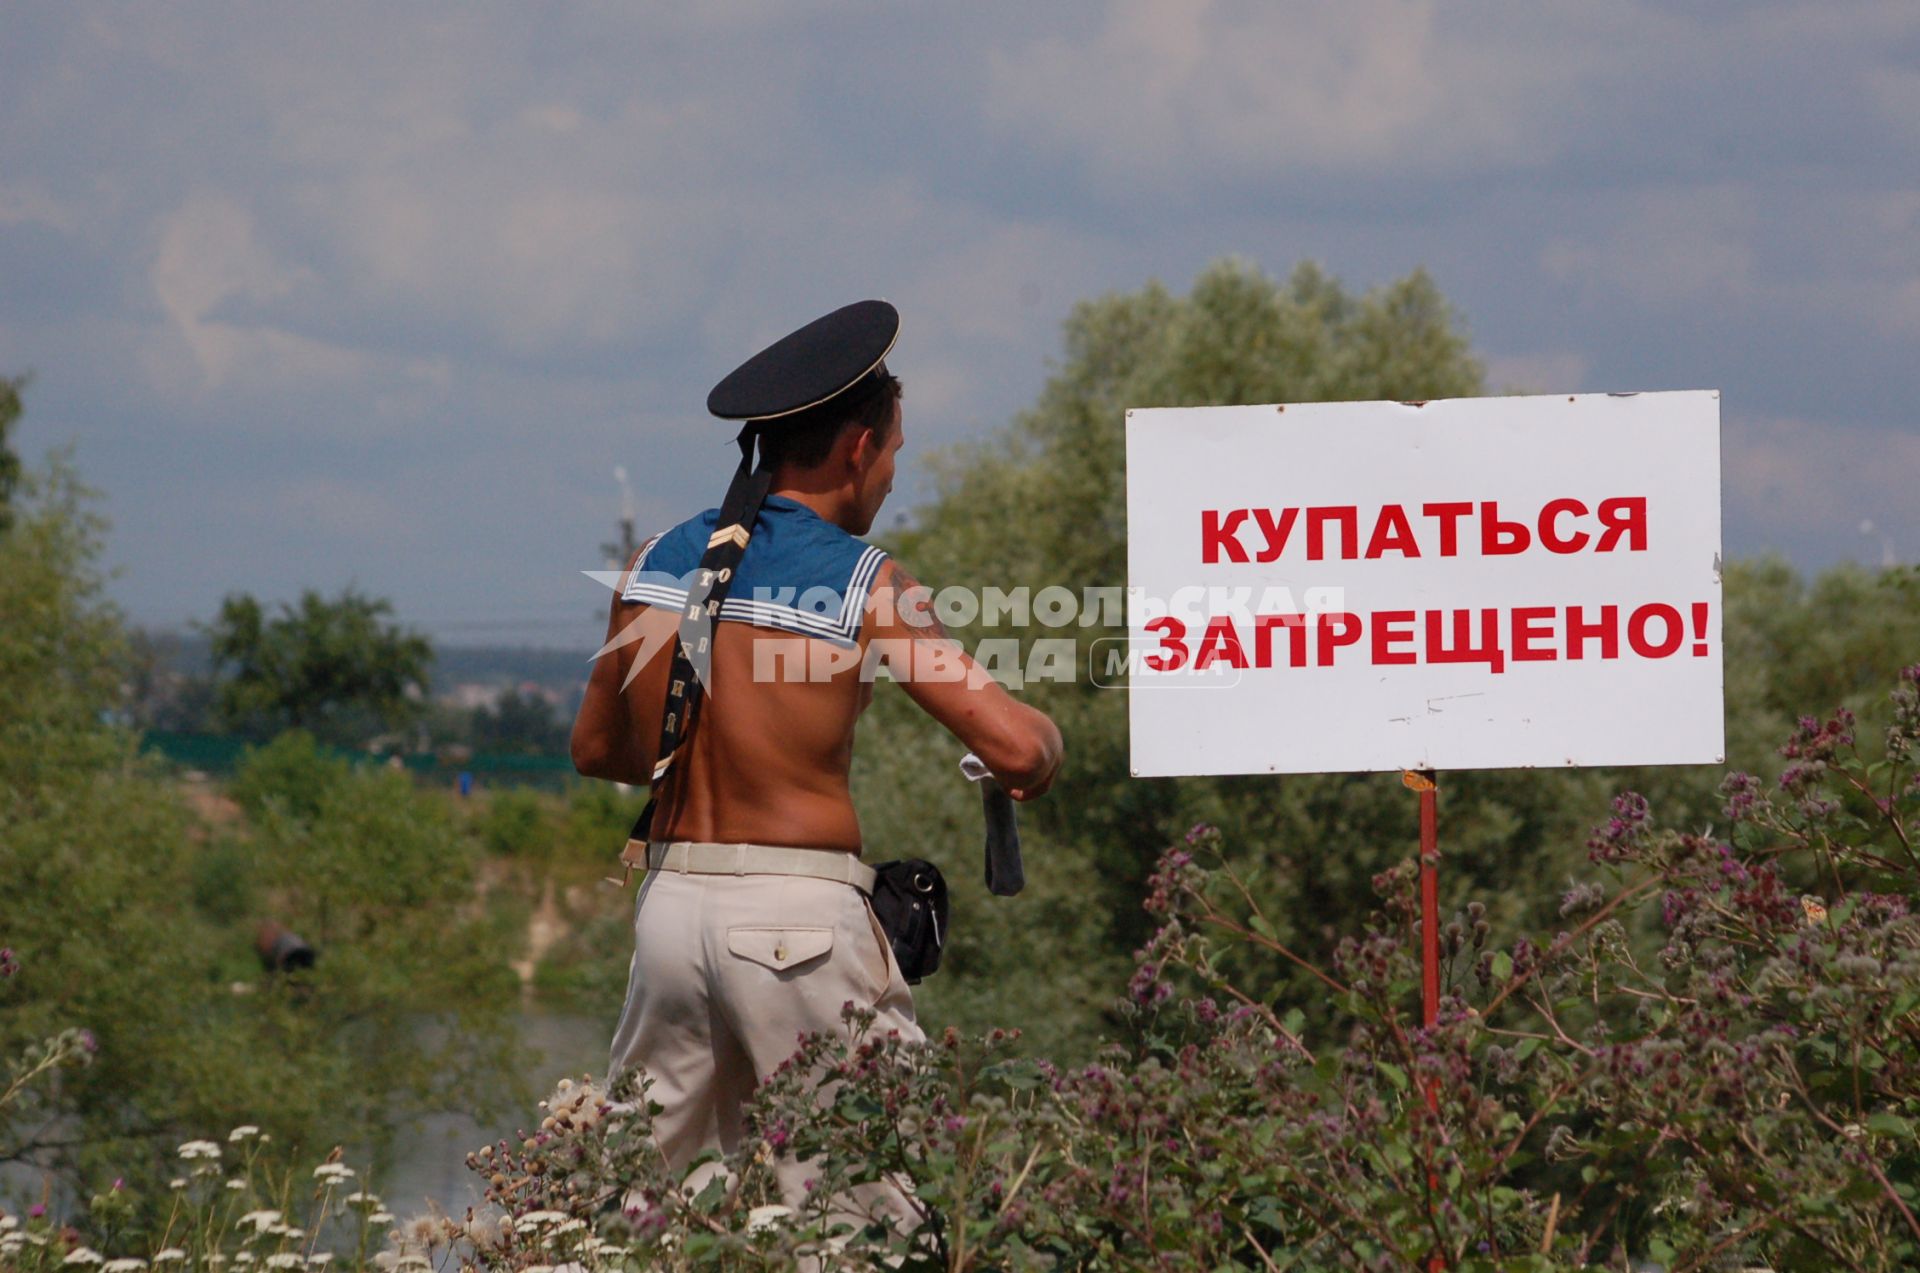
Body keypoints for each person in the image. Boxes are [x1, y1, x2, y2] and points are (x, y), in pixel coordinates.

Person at [569, 300, 1063, 1231]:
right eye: (893, 455)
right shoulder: (864, 580)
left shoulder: (656, 561)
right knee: (870, 1218)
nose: (889, 478)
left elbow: (599, 752)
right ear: (856, 448)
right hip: (797, 927)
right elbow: (1015, 748)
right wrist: (1047, 741)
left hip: (670, 918)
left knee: (632, 1217)